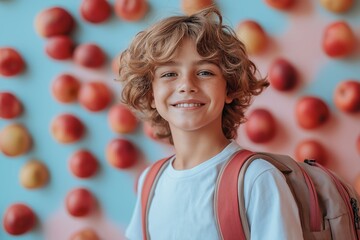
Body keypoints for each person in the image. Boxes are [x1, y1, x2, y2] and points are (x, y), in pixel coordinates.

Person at [118, 6, 303, 240]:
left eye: (205, 72)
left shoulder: (256, 178)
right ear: (151, 95)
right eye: (169, 74)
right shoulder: (150, 182)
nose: (187, 84)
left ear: (230, 88)